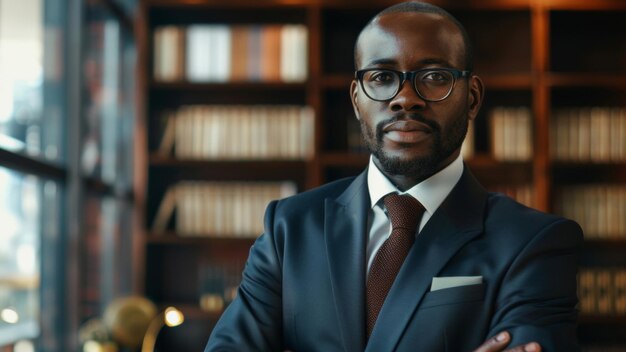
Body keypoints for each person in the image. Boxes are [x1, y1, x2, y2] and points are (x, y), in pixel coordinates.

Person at [205, 2, 582, 351]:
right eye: (382, 76)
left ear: (472, 98)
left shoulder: (534, 243)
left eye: (434, 76)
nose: (405, 98)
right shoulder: (288, 228)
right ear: (356, 99)